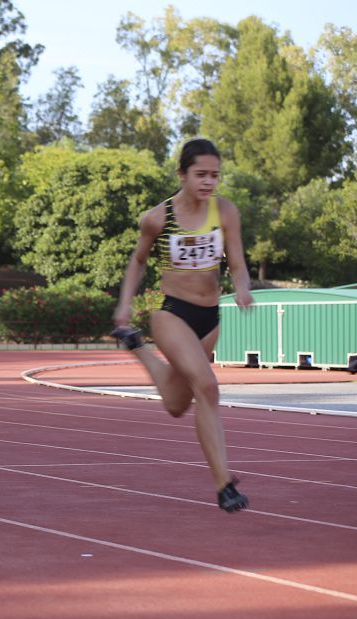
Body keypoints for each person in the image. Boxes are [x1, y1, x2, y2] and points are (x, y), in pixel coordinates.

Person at [111, 138, 252, 513]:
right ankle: (224, 485)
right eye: (201, 174)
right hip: (171, 311)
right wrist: (125, 303)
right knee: (207, 386)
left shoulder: (224, 212)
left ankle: (137, 348)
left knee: (176, 403)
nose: (209, 182)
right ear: (182, 174)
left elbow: (236, 262)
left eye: (215, 175)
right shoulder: (158, 218)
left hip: (210, 317)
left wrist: (242, 290)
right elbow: (138, 260)